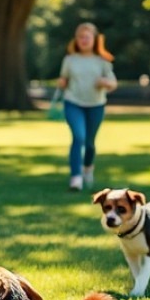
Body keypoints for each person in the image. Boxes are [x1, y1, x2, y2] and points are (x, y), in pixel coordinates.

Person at [56, 22, 117, 191]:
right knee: (79, 137)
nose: (83, 40)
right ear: (76, 40)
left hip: (96, 105)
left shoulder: (102, 60)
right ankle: (76, 177)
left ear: (95, 39)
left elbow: (113, 83)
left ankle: (88, 167)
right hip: (73, 103)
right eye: (80, 37)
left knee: (89, 143)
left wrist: (105, 83)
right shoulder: (69, 60)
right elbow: (64, 80)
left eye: (87, 37)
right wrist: (61, 82)